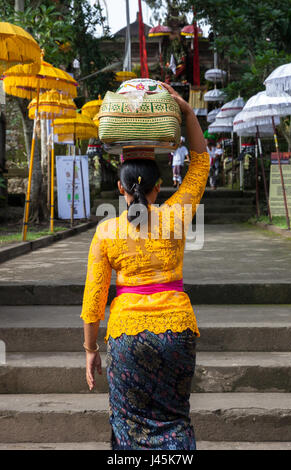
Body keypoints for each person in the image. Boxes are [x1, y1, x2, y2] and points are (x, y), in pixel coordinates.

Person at [80, 82, 210, 450]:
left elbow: (94, 302)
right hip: (177, 332)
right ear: (159, 186)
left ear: (121, 189)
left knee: (129, 426)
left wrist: (91, 350)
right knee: (175, 420)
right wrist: (185, 111)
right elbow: (200, 163)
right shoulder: (176, 217)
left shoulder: (107, 233)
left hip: (126, 336)